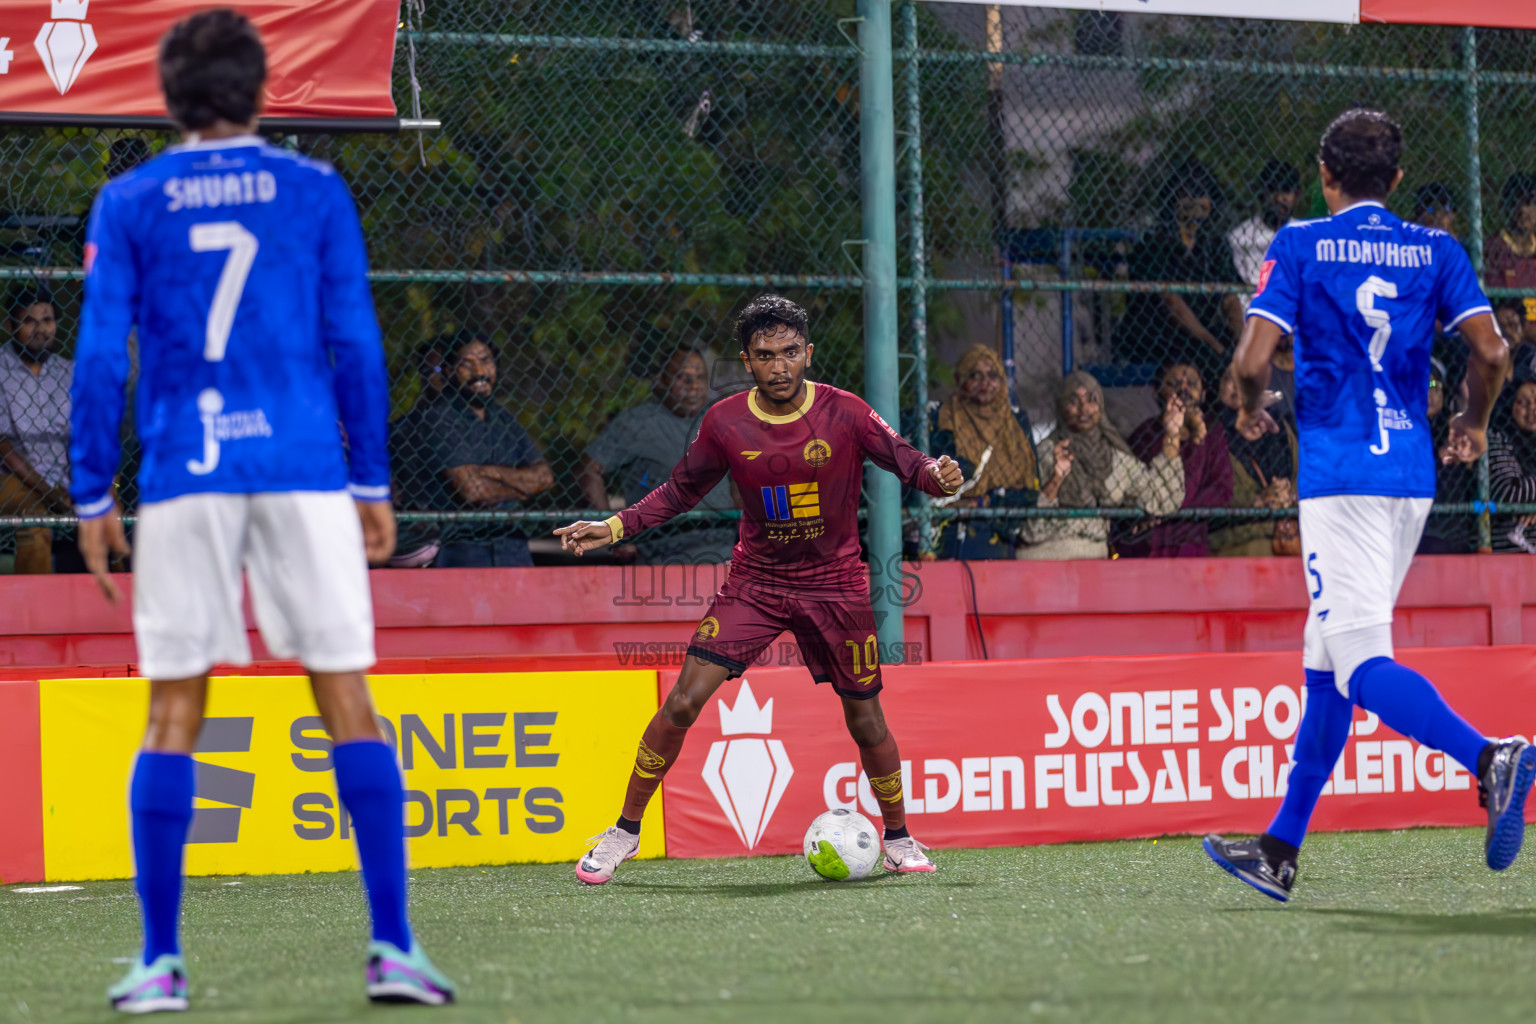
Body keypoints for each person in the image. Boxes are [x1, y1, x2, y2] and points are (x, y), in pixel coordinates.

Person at [70, 11, 454, 1010]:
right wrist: (371, 481)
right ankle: (393, 947)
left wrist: (87, 490)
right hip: (297, 466)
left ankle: (160, 962)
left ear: (167, 96)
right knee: (346, 698)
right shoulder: (315, 190)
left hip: (185, 471)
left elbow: (102, 354)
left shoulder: (128, 198)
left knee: (171, 712)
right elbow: (356, 342)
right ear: (259, 90)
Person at [1203, 108, 1531, 903]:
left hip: (1339, 473)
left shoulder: (1303, 243)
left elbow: (1251, 361)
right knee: (1326, 665)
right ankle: (1279, 850)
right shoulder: (1437, 249)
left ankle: (1492, 758)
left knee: (1357, 661)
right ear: (1398, 177)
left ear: (1324, 173)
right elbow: (1493, 350)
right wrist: (1473, 421)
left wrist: (1251, 407)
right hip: (1410, 474)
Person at [554, 295, 963, 883]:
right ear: (747, 360)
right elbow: (677, 491)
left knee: (866, 721)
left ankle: (898, 838)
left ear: (808, 353)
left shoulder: (844, 411)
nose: (780, 366)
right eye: (766, 355)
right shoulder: (723, 422)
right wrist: (613, 526)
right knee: (683, 701)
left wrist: (937, 475)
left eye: (791, 353)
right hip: (757, 583)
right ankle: (624, 832)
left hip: (836, 585)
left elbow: (906, 461)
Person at [578, 346, 737, 565]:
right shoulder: (638, 423)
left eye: (700, 377)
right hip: (663, 558)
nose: (694, 386)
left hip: (723, 555)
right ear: (662, 380)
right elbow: (589, 469)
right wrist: (615, 534)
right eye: (683, 377)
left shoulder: (715, 423)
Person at [407, 332, 553, 567]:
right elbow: (473, 490)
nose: (480, 372)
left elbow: (544, 476)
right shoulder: (438, 419)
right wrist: (521, 483)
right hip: (461, 550)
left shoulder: (503, 418)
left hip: (512, 548)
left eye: (485, 361)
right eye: (467, 364)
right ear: (448, 371)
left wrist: (487, 473)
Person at [1015, 370, 1185, 561]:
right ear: (1061, 407)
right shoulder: (1045, 454)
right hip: (1043, 558)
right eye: (1073, 401)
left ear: (1101, 406)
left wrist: (1172, 434)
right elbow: (1030, 530)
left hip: (1094, 560)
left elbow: (1163, 499)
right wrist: (1057, 479)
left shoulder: (1115, 458)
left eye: (1091, 400)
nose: (1083, 409)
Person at [1123, 160, 1245, 377]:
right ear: (1173, 200)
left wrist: (1242, 341)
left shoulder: (1213, 243)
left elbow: (1230, 296)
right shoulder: (1155, 243)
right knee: (1211, 359)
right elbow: (1171, 302)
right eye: (1187, 195)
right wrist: (1213, 345)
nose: (1195, 202)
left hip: (1205, 334)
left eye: (1202, 195)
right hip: (1162, 336)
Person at [927, 344, 1038, 559]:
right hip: (948, 533)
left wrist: (986, 502)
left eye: (992, 375)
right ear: (960, 380)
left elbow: (1031, 488)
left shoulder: (1016, 422)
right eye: (975, 376)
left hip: (1003, 535)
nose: (985, 383)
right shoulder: (942, 420)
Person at [1122, 361, 1233, 558]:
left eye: (1191, 383)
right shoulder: (1146, 435)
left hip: (1192, 536)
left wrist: (1172, 512)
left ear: (1204, 393)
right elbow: (1140, 490)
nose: (1184, 389)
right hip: (1151, 541)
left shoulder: (1213, 431)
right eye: (1173, 384)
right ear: (1156, 392)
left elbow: (1221, 489)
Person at [0, 289, 73, 573]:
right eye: (29, 321)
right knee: (35, 519)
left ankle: (118, 609)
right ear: (10, 325)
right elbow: (3, 446)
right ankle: (35, 614)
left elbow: (85, 438)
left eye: (48, 320)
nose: (41, 330)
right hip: (11, 481)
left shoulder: (69, 371)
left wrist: (90, 483)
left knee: (114, 497)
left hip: (64, 481)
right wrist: (49, 493)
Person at [1209, 363, 1299, 557]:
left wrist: (1287, 496)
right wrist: (1258, 501)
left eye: (1245, 381)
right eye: (1228, 380)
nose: (1236, 386)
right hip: (1237, 543)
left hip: (1290, 536)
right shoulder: (1211, 435)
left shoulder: (1282, 430)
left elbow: (1303, 477)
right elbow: (1209, 500)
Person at [388, 336, 451, 567]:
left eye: (448, 367)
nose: (442, 375)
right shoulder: (404, 430)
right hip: (422, 533)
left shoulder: (489, 420)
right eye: (433, 369)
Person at [1419, 362, 1476, 555]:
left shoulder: (1453, 426)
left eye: (1435, 386)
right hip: (1421, 528)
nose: (1429, 392)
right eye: (1422, 384)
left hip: (1455, 528)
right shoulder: (1402, 432)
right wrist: (1437, 457)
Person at [1227, 159, 1300, 292]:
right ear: (1261, 195)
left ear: (1296, 194)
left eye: (1286, 190)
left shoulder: (1306, 236)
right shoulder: (1240, 237)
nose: (1279, 198)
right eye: (1272, 190)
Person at [1487, 379, 1536, 554]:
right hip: (1511, 546)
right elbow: (1509, 492)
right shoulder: (1497, 438)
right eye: (1522, 402)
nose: (1532, 408)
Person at [1484, 173, 1536, 292]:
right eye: (1516, 201)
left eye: (1530, 202)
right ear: (1506, 205)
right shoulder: (1493, 248)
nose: (1523, 210)